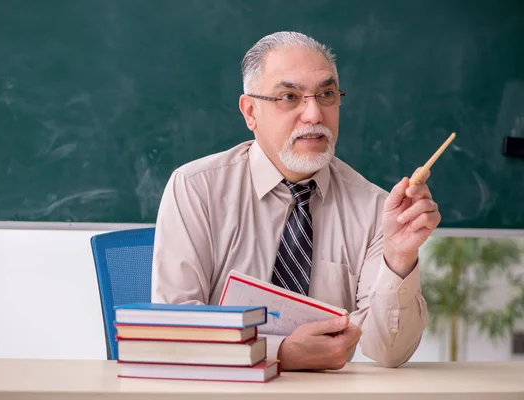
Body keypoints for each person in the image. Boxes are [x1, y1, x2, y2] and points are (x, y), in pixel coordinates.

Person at [151, 31, 440, 370]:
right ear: (250, 112)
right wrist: (280, 352)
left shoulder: (376, 208)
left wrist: (399, 256)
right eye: (289, 96)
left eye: (327, 94)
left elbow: (388, 352)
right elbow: (174, 328)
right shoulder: (196, 189)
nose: (314, 114)